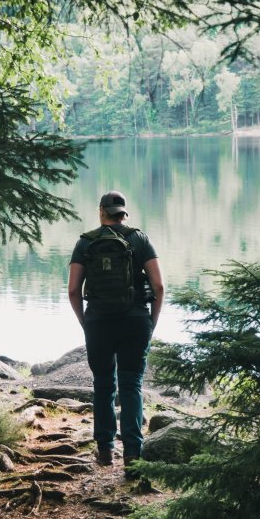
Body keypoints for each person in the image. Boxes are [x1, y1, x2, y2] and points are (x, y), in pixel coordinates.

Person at [67, 190, 164, 479]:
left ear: (101, 211)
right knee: (131, 384)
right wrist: (151, 322)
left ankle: (105, 449)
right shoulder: (139, 239)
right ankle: (133, 454)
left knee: (103, 384)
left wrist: (85, 322)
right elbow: (159, 287)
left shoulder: (85, 243)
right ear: (123, 213)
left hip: (98, 322)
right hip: (135, 321)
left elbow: (73, 290)